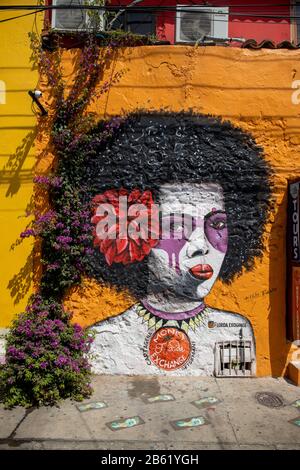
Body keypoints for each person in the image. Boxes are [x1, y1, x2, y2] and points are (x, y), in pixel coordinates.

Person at [85, 112, 272, 376]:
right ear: (134, 233)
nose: (200, 246)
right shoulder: (102, 341)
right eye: (175, 226)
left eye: (217, 224)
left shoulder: (235, 331)